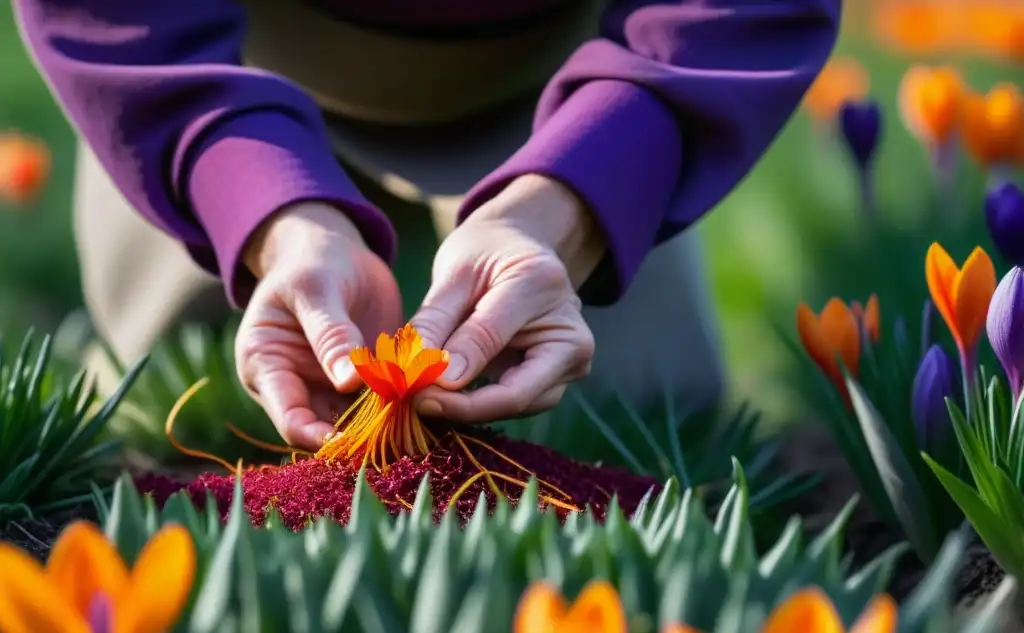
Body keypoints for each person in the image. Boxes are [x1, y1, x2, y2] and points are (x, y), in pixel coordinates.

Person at [15, 0, 841, 451]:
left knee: (638, 433)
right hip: (228, 71)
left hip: (576, 83)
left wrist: (571, 208)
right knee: (180, 420)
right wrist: (269, 213)